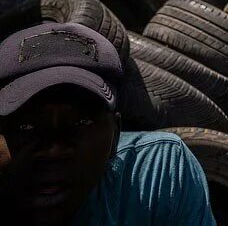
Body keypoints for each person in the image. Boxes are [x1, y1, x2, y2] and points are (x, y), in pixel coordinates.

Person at [0, 21, 216, 225]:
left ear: (115, 135)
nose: (55, 150)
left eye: (81, 122)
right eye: (26, 126)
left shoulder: (156, 174)